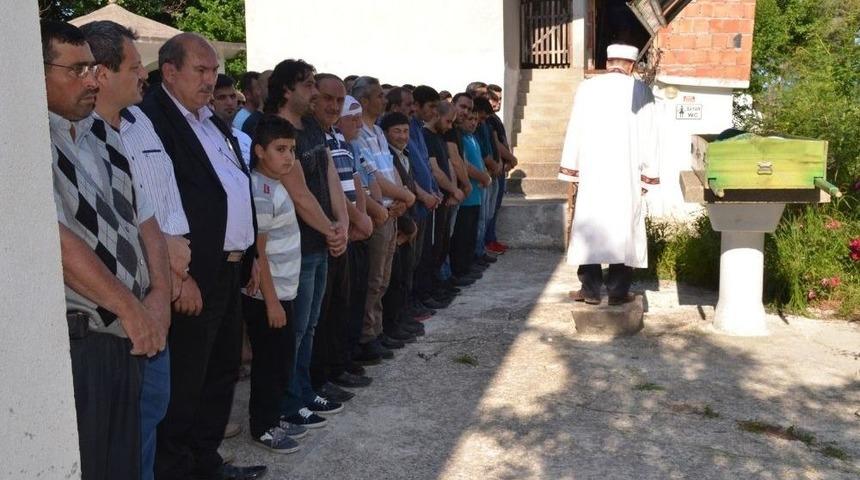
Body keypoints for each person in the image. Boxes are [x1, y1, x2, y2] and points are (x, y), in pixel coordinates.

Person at [42, 19, 168, 480]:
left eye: (92, 68)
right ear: (36, 72)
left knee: (125, 460)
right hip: (88, 340)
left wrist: (157, 299)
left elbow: (146, 221)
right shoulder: (27, 141)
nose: (90, 79)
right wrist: (132, 310)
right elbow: (55, 240)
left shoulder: (104, 134)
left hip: (129, 332)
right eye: (75, 70)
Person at [139, 32, 266, 480]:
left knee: (221, 371)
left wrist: (248, 255)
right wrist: (179, 275)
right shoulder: (149, 121)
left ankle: (206, 462)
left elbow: (233, 186)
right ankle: (176, 470)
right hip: (192, 273)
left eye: (214, 71)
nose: (211, 80)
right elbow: (156, 205)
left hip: (230, 268)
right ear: (169, 71)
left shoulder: (210, 120)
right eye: (201, 70)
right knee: (186, 382)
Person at [80, 20, 192, 480]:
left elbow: (152, 212)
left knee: (152, 413)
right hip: (117, 311)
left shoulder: (141, 121)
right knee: (124, 432)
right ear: (102, 73)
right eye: (132, 67)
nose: (141, 76)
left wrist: (167, 288)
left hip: (159, 292)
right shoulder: (76, 138)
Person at [264, 59, 350, 428]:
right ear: (287, 89)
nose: (315, 93)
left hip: (318, 241)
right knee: (294, 329)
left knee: (310, 324)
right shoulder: (271, 129)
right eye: (309, 85)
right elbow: (297, 193)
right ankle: (288, 400)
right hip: (290, 247)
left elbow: (329, 173)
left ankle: (303, 388)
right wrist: (332, 229)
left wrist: (341, 223)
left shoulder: (313, 126)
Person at [558, 44, 660, 305]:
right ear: (632, 65)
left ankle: (590, 290)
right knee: (624, 229)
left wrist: (572, 169)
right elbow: (650, 136)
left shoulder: (588, 88)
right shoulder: (641, 91)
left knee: (590, 227)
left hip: (594, 174)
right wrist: (649, 175)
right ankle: (617, 290)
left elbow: (575, 129)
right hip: (626, 177)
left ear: (608, 61)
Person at [309, 73, 374, 400]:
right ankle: (323, 376)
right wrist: (350, 220)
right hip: (330, 233)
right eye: (328, 99)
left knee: (341, 306)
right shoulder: (311, 137)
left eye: (339, 100)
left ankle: (339, 366)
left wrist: (360, 217)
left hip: (347, 230)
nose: (333, 106)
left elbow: (353, 182)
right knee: (323, 315)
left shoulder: (335, 137)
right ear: (312, 97)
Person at [242, 114, 304, 454]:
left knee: (280, 360)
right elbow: (259, 254)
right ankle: (263, 427)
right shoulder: (261, 191)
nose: (288, 157)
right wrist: (271, 302)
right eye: (280, 149)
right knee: (269, 363)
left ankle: (273, 415)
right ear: (259, 151)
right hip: (270, 296)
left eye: (292, 149)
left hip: (282, 291)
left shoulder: (274, 185)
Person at [350, 76, 416, 360]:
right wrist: (400, 198)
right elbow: (371, 176)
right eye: (378, 96)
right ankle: (367, 336)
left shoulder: (376, 131)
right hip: (378, 212)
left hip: (391, 209)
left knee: (384, 277)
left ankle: (378, 329)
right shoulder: (358, 135)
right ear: (364, 100)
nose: (383, 100)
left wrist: (401, 198)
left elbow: (388, 169)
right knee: (374, 278)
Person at [450, 111, 491, 279]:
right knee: (462, 235)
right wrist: (483, 177)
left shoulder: (472, 138)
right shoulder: (460, 138)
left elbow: (479, 162)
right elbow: (464, 165)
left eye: (475, 119)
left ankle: (468, 266)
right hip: (467, 196)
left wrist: (485, 175)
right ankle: (459, 270)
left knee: (470, 234)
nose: (473, 123)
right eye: (470, 119)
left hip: (476, 195)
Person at [484, 84, 516, 255]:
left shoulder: (495, 118)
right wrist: (511, 158)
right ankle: (488, 241)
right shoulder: (488, 120)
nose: (498, 103)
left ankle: (492, 239)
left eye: (500, 99)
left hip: (501, 167)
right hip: (494, 169)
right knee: (489, 209)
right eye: (495, 99)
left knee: (494, 207)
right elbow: (496, 143)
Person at [211, 73, 252, 166]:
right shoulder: (206, 139)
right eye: (222, 97)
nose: (229, 102)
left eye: (232, 96)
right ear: (211, 101)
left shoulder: (245, 138)